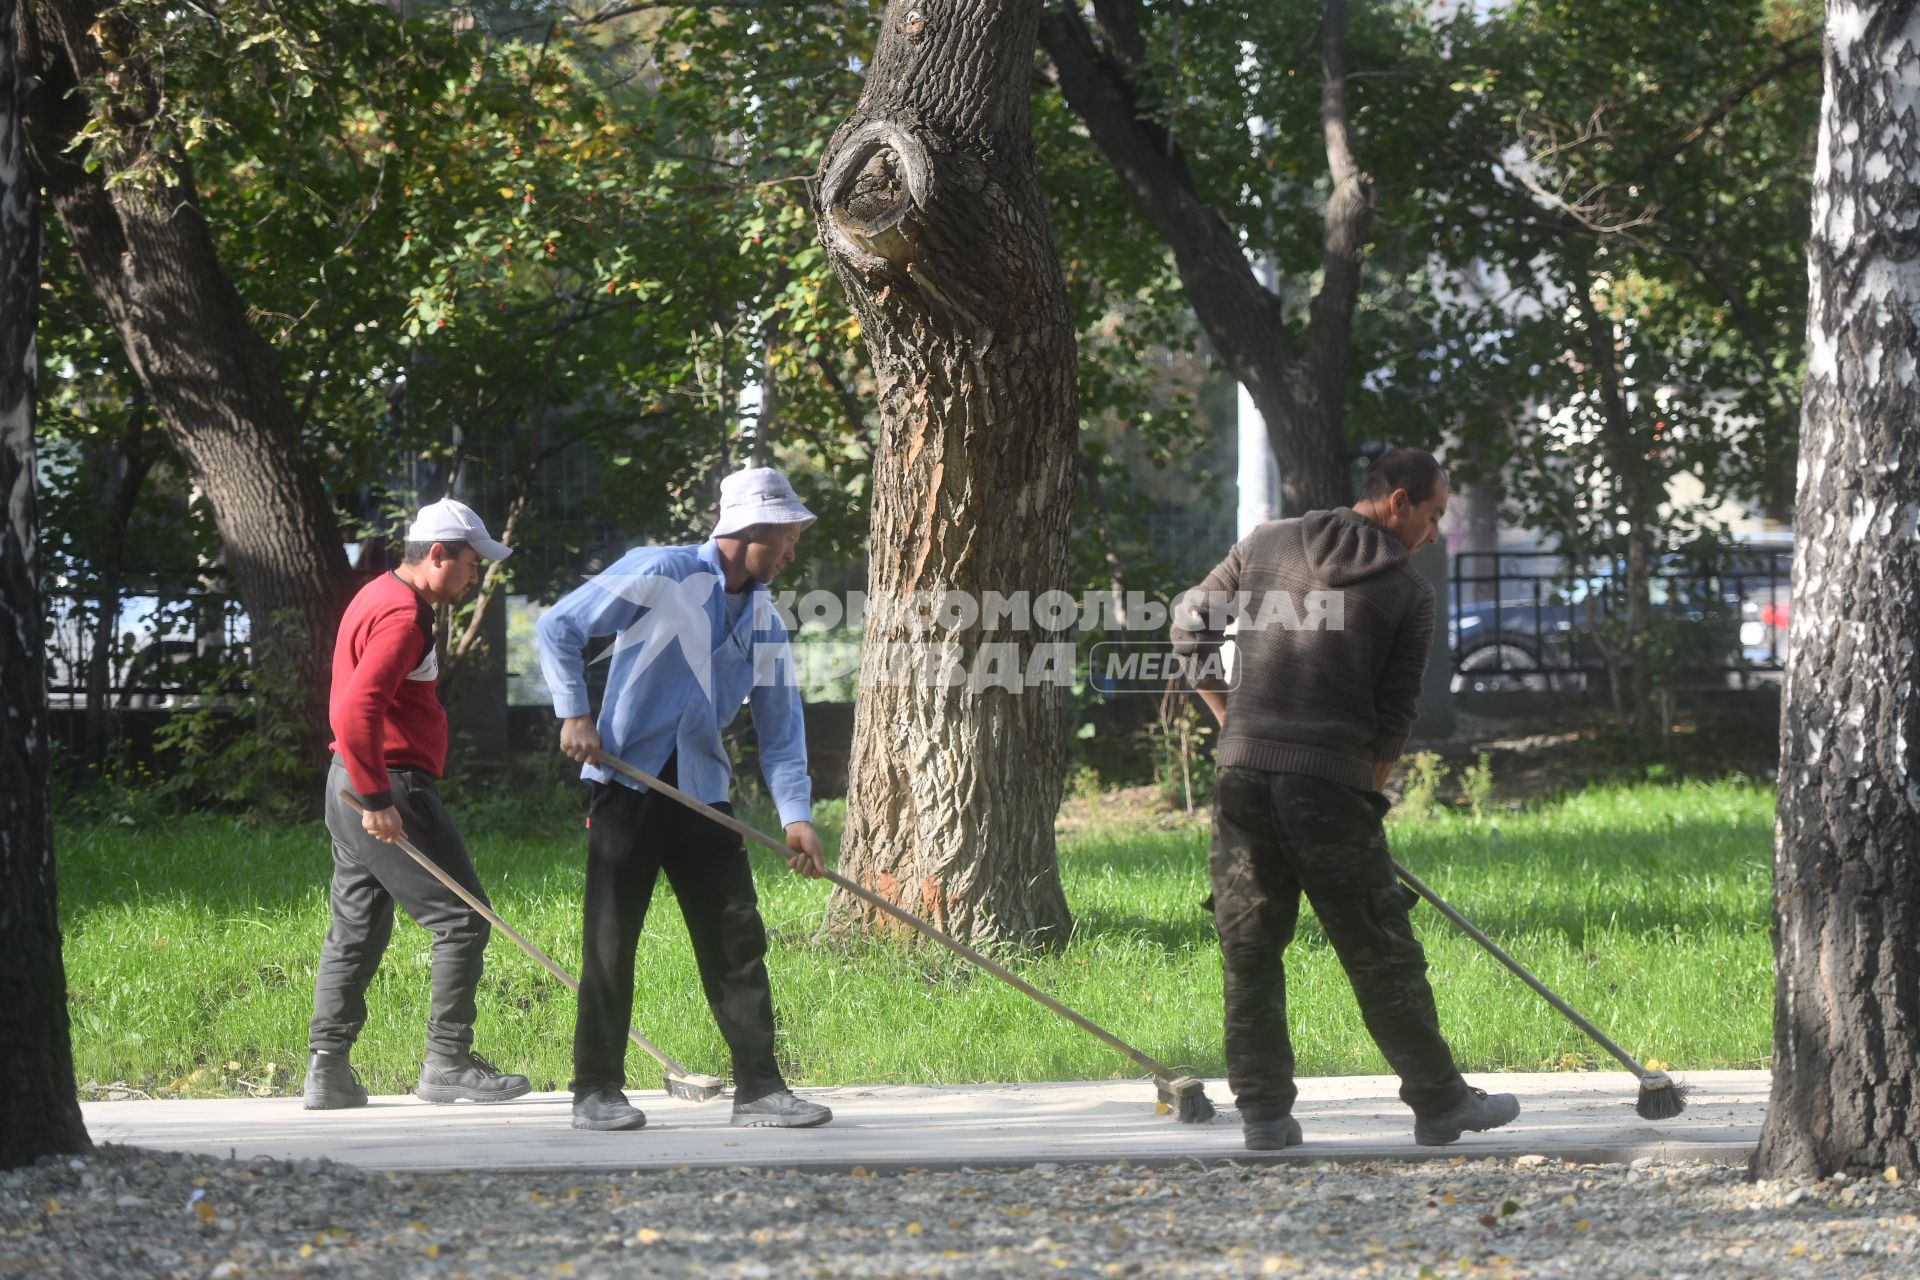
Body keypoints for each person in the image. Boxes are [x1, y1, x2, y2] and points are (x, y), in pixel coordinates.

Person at [1171, 447, 1520, 1151]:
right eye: (1433, 514)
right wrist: (1367, 796)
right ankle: (1439, 1102)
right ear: (1397, 501)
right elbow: (1395, 717)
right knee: (1380, 949)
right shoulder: (1409, 594)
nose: (1435, 532)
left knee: (1249, 952)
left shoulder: (1266, 543)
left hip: (1242, 780)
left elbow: (1187, 628)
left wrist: (1232, 720)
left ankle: (1264, 1117)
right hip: (1330, 784)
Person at [535, 466, 831, 1133]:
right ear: (751, 530)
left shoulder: (765, 621)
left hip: (702, 794)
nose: (791, 554)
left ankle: (760, 1088)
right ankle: (595, 1090)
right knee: (611, 942)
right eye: (787, 538)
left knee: (736, 938)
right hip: (625, 789)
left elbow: (783, 732)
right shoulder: (661, 573)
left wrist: (797, 818)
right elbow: (559, 627)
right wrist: (574, 712)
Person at [305, 498, 532, 1109]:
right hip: (387, 786)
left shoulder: (376, 593)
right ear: (437, 555)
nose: (473, 576)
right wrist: (378, 797)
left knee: (355, 928)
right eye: (469, 563)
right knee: (463, 919)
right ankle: (448, 1064)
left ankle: (327, 1072)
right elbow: (356, 709)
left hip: (346, 782)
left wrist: (360, 788)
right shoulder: (405, 617)